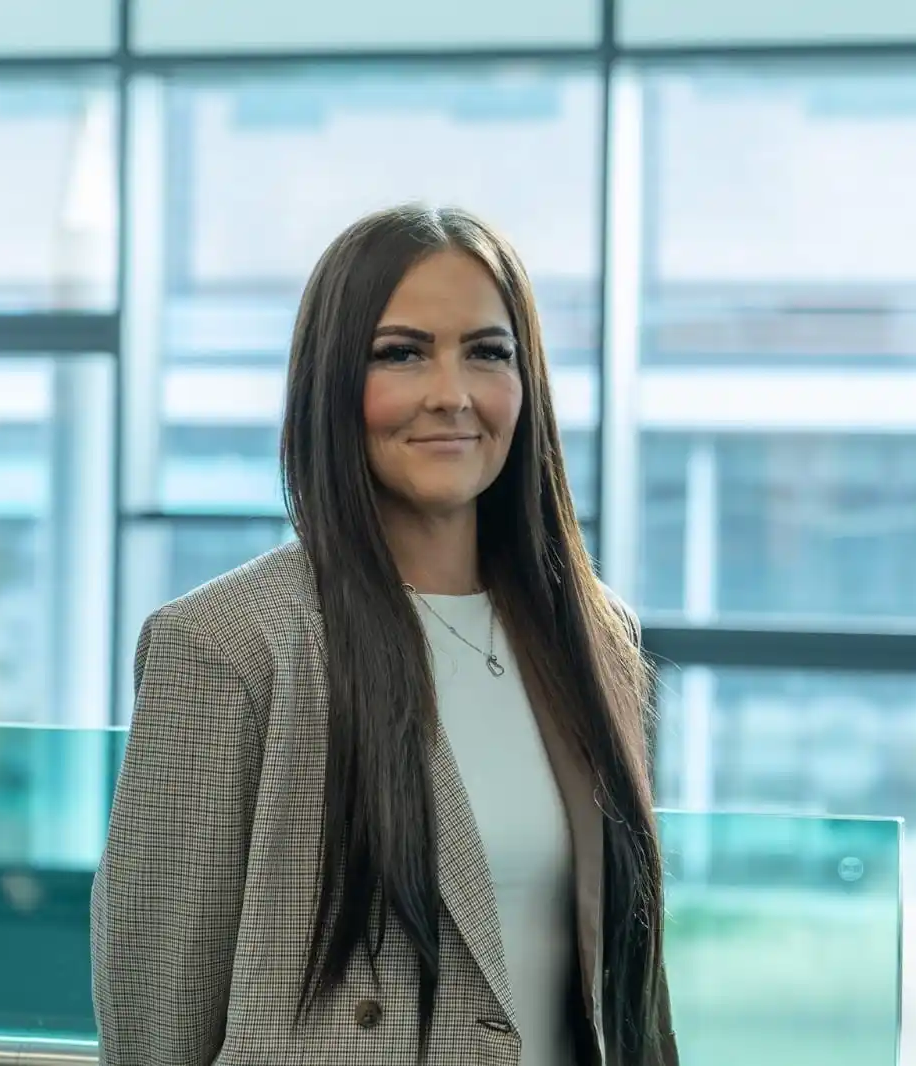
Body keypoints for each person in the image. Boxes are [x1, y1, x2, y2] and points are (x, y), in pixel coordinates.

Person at [91, 203, 677, 1066]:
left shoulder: (594, 637)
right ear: (332, 382)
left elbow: (622, 996)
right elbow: (155, 1028)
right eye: (401, 353)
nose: (452, 393)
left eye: (487, 352)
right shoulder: (227, 646)